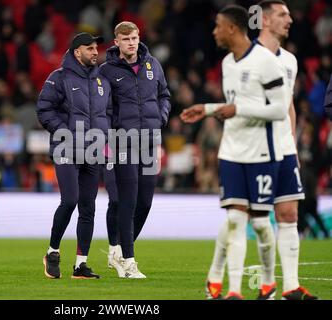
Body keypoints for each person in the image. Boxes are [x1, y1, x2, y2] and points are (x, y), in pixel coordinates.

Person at [203, 0, 318, 300]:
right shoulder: (245, 58)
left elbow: (288, 105)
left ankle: (290, 287)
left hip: (282, 148)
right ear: (265, 21)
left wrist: (290, 141)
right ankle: (219, 277)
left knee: (289, 214)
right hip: (252, 150)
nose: (290, 20)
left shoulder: (290, 60)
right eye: (283, 15)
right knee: (241, 216)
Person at [181, 5, 289, 299]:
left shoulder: (266, 62)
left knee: (260, 224)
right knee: (234, 220)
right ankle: (234, 291)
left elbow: (279, 110)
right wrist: (208, 109)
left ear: (232, 28)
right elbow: (232, 106)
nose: (214, 31)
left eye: (218, 26)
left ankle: (268, 283)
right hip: (231, 152)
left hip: (261, 154)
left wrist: (235, 109)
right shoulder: (228, 63)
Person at [99, 21, 171, 278]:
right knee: (124, 201)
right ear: (116, 41)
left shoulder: (153, 65)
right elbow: (101, 107)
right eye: (127, 39)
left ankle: (118, 249)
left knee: (144, 202)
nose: (132, 42)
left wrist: (161, 117)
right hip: (121, 142)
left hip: (150, 141)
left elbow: (164, 95)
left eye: (135, 37)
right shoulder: (106, 71)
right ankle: (128, 262)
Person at [37, 32, 111, 279]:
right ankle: (53, 252)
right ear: (77, 52)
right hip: (66, 148)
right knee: (70, 200)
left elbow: (107, 114)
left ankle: (81, 265)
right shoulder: (58, 78)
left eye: (95, 48)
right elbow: (44, 109)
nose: (95, 52)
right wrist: (65, 131)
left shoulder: (101, 81)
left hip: (93, 150)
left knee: (88, 207)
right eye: (89, 48)